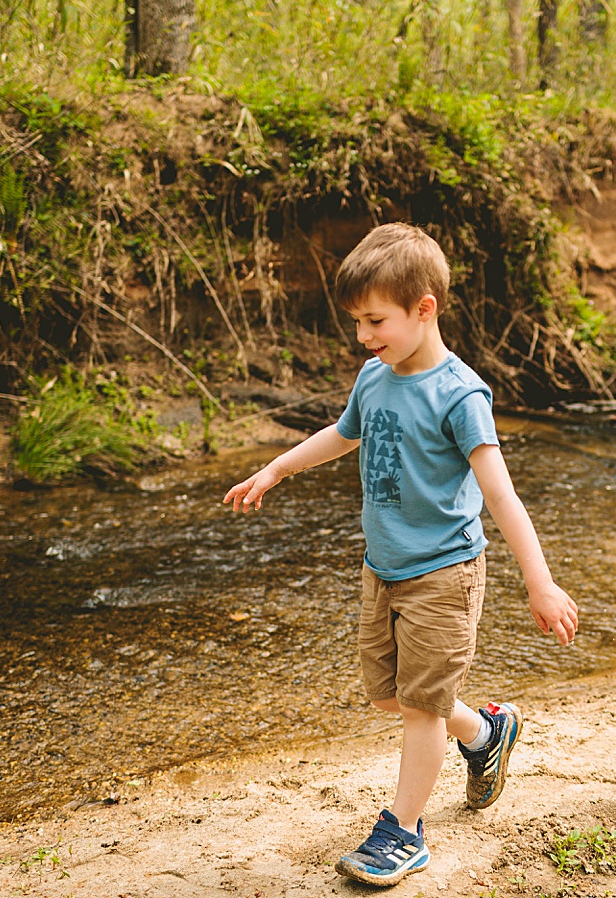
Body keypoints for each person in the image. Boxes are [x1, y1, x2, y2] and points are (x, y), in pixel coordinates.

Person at [223, 223, 580, 887]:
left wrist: (541, 583)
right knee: (392, 697)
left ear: (425, 309)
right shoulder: (374, 376)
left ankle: (404, 831)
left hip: (444, 575)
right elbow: (341, 435)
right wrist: (276, 469)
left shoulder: (460, 395)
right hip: (381, 570)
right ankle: (485, 733)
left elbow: (501, 496)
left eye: (374, 320)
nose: (363, 336)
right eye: (358, 322)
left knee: (420, 709)